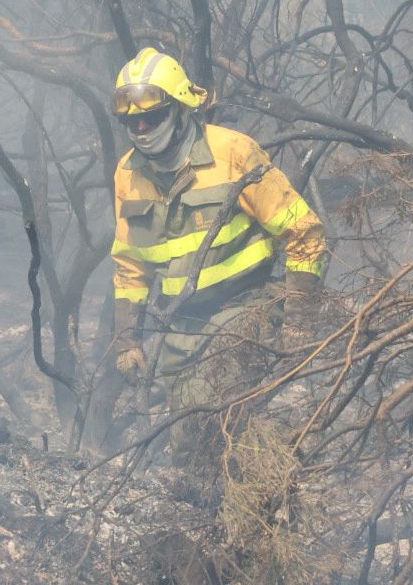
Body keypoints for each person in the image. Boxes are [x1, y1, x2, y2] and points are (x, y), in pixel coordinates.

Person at [106, 47, 328, 465]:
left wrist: (300, 319)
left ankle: (264, 494)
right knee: (187, 441)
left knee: (207, 416)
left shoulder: (233, 154)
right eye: (131, 120)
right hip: (183, 323)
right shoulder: (128, 174)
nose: (140, 127)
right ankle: (212, 510)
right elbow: (131, 266)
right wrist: (127, 341)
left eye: (150, 117)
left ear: (180, 109)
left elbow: (304, 231)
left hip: (249, 303)